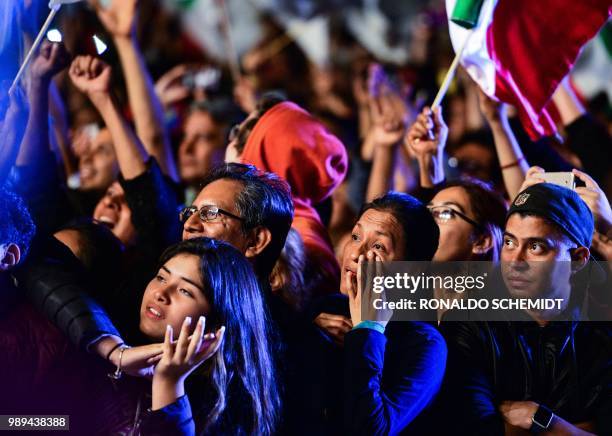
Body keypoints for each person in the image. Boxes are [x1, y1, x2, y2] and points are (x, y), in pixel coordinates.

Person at [439, 183, 612, 435]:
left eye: (535, 247)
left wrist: (542, 420)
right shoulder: (468, 322)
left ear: (577, 259)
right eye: (509, 242)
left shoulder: (602, 341)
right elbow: (475, 428)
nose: (515, 261)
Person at [298, 192, 447, 435]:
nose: (356, 254)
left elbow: (370, 429)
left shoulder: (424, 344)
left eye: (378, 246)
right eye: (356, 237)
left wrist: (369, 330)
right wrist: (304, 334)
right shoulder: (323, 309)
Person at [133, 237, 280, 435]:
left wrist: (169, 383)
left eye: (185, 291)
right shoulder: (119, 346)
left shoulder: (219, 406)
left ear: (217, 321)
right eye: (161, 277)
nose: (161, 293)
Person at [226, 96, 348, 298]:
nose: (229, 141)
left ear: (258, 156)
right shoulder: (290, 223)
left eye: (237, 133)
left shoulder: (301, 242)